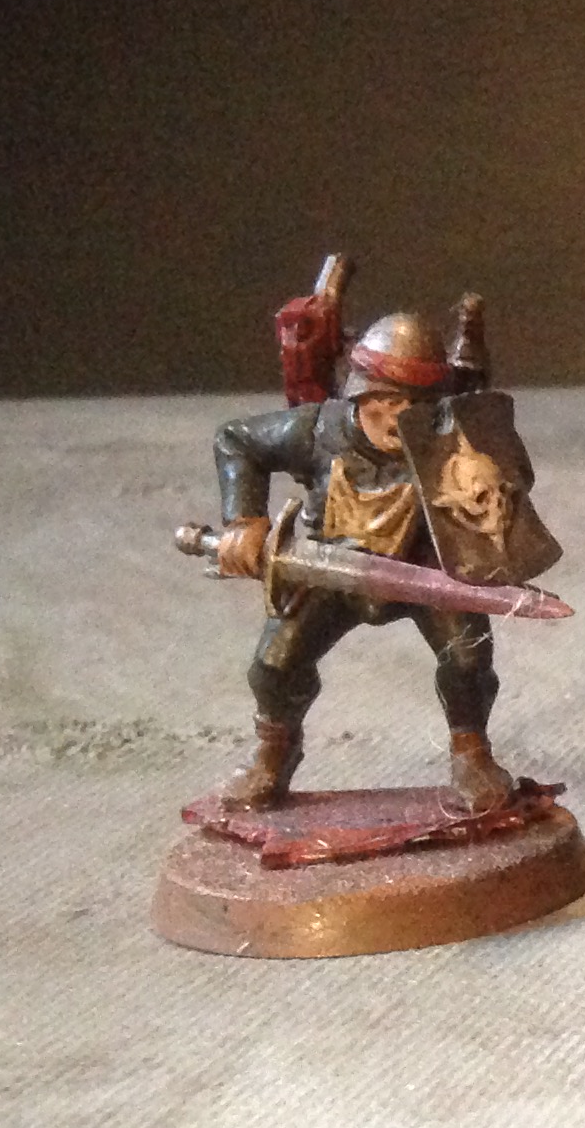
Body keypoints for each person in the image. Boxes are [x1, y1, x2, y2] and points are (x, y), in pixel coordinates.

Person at [210, 308, 514, 812]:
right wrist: (244, 519)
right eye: (386, 401)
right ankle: (272, 752)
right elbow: (237, 440)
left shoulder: (451, 436)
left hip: (426, 570)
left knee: (468, 659)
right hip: (330, 569)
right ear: (360, 395)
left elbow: (499, 494)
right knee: (275, 664)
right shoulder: (316, 430)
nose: (398, 417)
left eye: (414, 404)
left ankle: (471, 753)